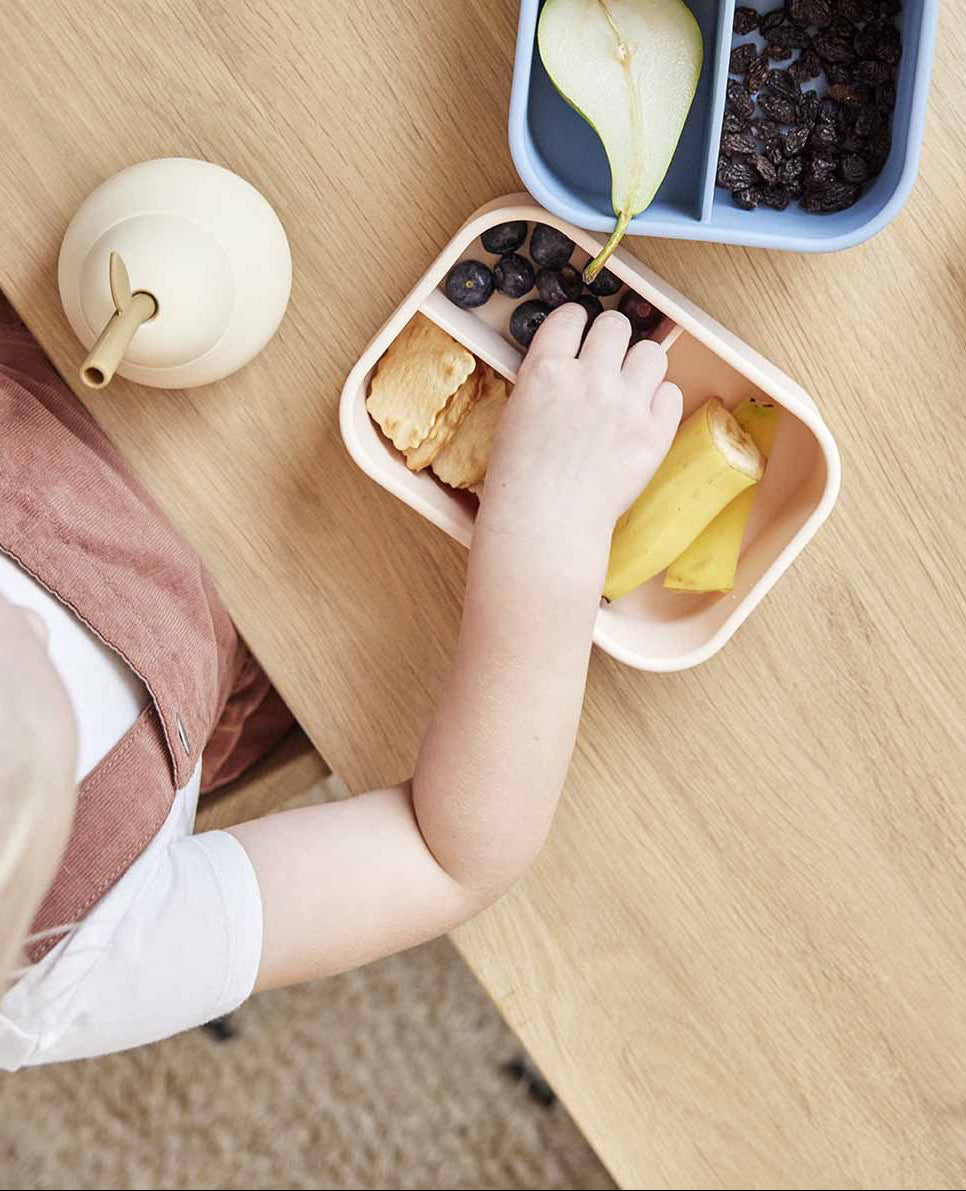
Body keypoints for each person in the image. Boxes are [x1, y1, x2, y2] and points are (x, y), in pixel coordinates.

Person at [0, 295, 681, 1067]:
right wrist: (550, 537)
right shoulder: (56, 975)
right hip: (297, 578)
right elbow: (446, 857)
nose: (28, 621)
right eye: (43, 678)